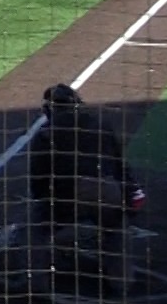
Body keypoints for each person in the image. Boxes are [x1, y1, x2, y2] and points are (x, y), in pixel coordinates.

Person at [21, 84, 146, 293]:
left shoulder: (46, 134)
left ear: (49, 109)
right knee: (116, 228)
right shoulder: (101, 124)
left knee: (34, 231)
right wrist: (130, 192)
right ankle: (122, 282)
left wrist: (45, 205)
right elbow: (118, 164)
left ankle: (37, 285)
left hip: (70, 193)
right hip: (109, 189)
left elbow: (39, 179)